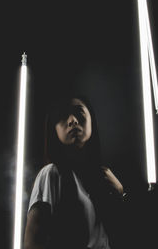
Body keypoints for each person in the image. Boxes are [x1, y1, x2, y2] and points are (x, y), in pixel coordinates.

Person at [24, 95, 126, 249]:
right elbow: (34, 243)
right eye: (63, 116)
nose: (72, 120)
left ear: (91, 119)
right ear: (54, 129)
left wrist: (120, 193)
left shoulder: (103, 179)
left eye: (79, 112)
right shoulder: (52, 175)